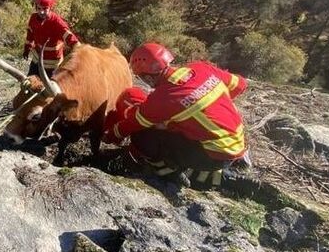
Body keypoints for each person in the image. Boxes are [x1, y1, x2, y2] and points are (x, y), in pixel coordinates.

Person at [102, 42, 249, 188]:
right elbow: (241, 84)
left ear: (147, 77)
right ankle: (216, 167)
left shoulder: (163, 98)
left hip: (215, 155)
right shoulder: (201, 68)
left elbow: (134, 123)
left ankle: (172, 174)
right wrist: (211, 102)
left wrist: (111, 136)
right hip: (238, 141)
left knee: (141, 137)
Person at [22, 0, 80, 77]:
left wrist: (79, 54)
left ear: (50, 7)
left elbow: (72, 40)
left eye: (45, 9)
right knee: (28, 83)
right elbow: (30, 36)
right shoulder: (33, 18)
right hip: (36, 62)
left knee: (48, 87)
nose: (41, 12)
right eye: (39, 8)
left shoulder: (57, 23)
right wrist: (27, 49)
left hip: (52, 67)